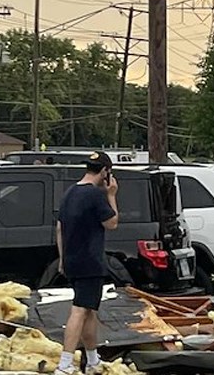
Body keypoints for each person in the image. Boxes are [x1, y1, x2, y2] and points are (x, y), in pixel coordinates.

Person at [55, 151, 119, 375]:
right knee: (80, 310)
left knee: (89, 309)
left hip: (72, 260)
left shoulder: (70, 192)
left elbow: (60, 228)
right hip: (90, 261)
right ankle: (65, 364)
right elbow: (112, 223)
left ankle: (92, 360)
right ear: (105, 172)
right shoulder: (95, 195)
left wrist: (62, 259)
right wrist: (111, 195)